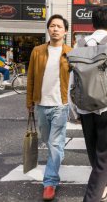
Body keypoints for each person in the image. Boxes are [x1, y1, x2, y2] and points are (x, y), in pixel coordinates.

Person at [70, 7, 107, 202]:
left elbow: (73, 81)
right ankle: (92, 197)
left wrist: (75, 109)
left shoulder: (79, 44)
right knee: (104, 157)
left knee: (94, 151)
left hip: (84, 107)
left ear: (92, 24)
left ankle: (104, 184)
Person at [26, 14, 72, 201]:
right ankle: (59, 154)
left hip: (61, 105)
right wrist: (29, 101)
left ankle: (50, 182)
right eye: (52, 26)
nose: (55, 29)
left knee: (53, 144)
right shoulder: (37, 51)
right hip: (41, 104)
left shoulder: (70, 52)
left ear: (65, 31)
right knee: (49, 141)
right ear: (48, 29)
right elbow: (31, 78)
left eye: (59, 26)